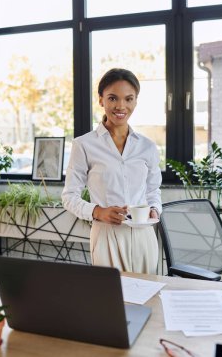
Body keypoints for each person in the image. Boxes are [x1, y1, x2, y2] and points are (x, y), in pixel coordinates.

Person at [62, 68, 162, 274]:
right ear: (101, 100)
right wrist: (98, 211)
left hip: (144, 235)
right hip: (106, 236)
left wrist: (154, 209)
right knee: (112, 302)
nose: (120, 106)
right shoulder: (84, 145)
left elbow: (153, 191)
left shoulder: (148, 147)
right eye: (112, 98)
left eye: (128, 99)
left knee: (148, 298)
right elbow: (69, 196)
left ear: (135, 102)